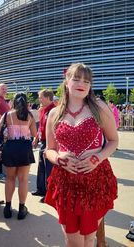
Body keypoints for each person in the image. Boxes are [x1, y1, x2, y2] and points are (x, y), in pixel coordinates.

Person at [45, 63, 118, 247]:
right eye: (76, 78)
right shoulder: (54, 113)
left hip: (95, 181)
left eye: (86, 80)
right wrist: (59, 160)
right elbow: (49, 149)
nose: (82, 83)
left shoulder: (99, 108)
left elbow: (113, 140)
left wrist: (97, 158)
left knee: (90, 238)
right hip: (66, 182)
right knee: (73, 240)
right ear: (66, 82)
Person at [0, 93, 36, 220]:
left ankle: (7, 208)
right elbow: (34, 133)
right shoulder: (29, 115)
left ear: (13, 101)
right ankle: (21, 209)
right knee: (23, 179)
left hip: (11, 147)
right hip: (25, 148)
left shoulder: (8, 114)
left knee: (10, 178)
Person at [32, 89, 55, 203]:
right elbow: (41, 127)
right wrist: (36, 138)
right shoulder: (43, 110)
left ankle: (48, 193)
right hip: (43, 141)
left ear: (47, 98)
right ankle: (41, 189)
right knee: (41, 166)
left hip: (50, 143)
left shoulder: (54, 110)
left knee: (49, 169)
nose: (39, 99)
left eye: (41, 97)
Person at [0, 83, 10, 182]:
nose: (4, 90)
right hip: (0, 131)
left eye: (5, 89)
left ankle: (1, 172)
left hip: (4, 130)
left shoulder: (4, 100)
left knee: (2, 152)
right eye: (2, 89)